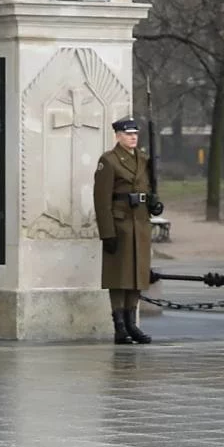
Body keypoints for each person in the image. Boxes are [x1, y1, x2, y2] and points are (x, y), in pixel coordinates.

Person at [93, 115, 156, 345]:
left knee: (137, 276)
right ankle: (120, 326)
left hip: (139, 223)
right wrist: (107, 232)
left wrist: (154, 202)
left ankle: (131, 323)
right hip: (120, 225)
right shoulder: (109, 161)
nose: (133, 138)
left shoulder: (144, 159)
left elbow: (147, 189)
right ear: (118, 136)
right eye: (128, 134)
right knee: (119, 277)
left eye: (135, 134)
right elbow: (101, 200)